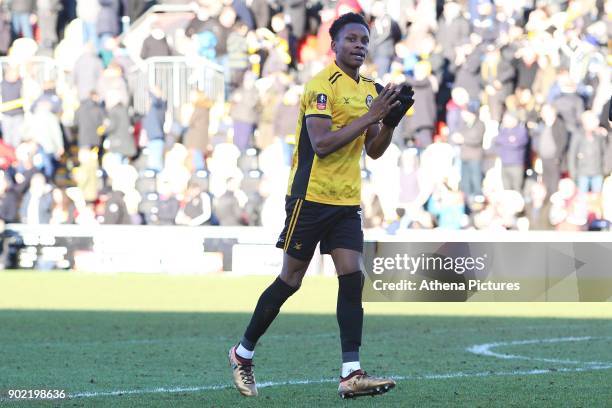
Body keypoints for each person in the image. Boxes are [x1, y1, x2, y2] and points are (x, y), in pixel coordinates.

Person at [227, 12, 414, 399]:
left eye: (364, 40)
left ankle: (351, 372)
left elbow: (374, 152)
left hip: (346, 201)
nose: (359, 45)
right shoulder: (320, 87)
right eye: (351, 39)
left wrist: (390, 121)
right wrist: (372, 115)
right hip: (310, 197)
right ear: (334, 45)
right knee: (291, 280)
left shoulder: (369, 91)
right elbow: (323, 145)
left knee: (352, 275)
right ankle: (242, 353)